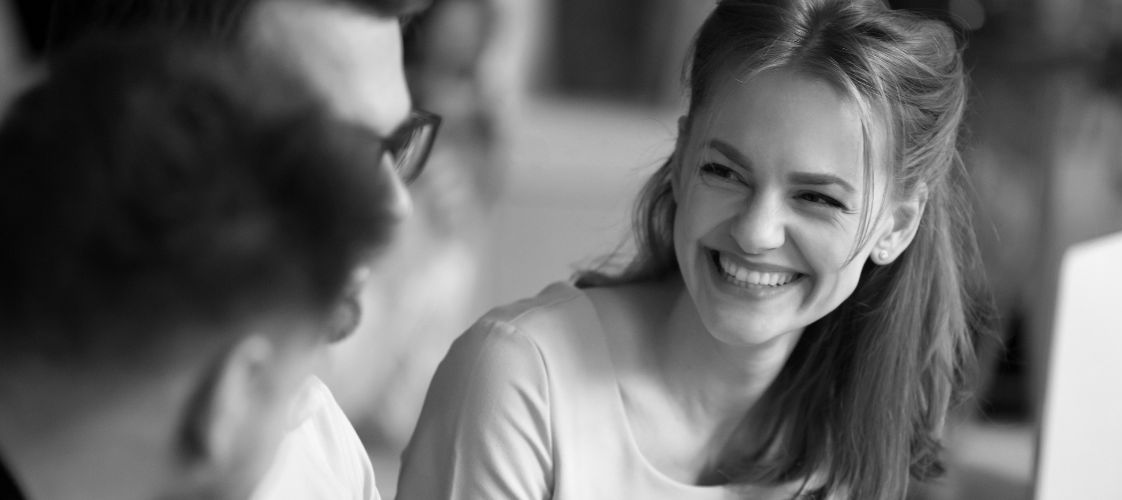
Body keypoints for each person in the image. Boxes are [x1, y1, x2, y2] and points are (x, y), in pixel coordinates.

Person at [397, 0, 989, 498]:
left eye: (816, 198)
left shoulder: (854, 436)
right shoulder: (520, 380)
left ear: (898, 225)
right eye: (724, 172)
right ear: (681, 161)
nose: (757, 232)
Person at [28, 0, 440, 497]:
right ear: (158, 136)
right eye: (341, 149)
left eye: (395, 147)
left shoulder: (320, 453)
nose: (395, 207)